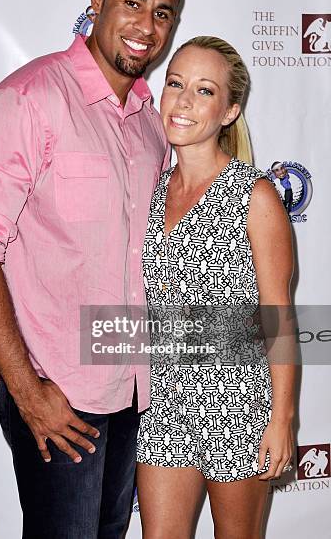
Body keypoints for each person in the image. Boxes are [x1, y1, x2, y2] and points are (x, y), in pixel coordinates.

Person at [0, 0, 181, 539]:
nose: (146, 26)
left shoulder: (152, 123)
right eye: (132, 3)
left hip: (132, 388)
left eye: (163, 13)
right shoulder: (30, 99)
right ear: (97, 0)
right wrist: (28, 391)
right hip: (59, 395)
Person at [136, 36, 296, 539]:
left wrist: (282, 418)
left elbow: (280, 314)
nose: (182, 101)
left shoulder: (255, 194)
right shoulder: (153, 188)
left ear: (229, 112)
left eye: (203, 91)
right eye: (175, 83)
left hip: (238, 403)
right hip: (163, 401)